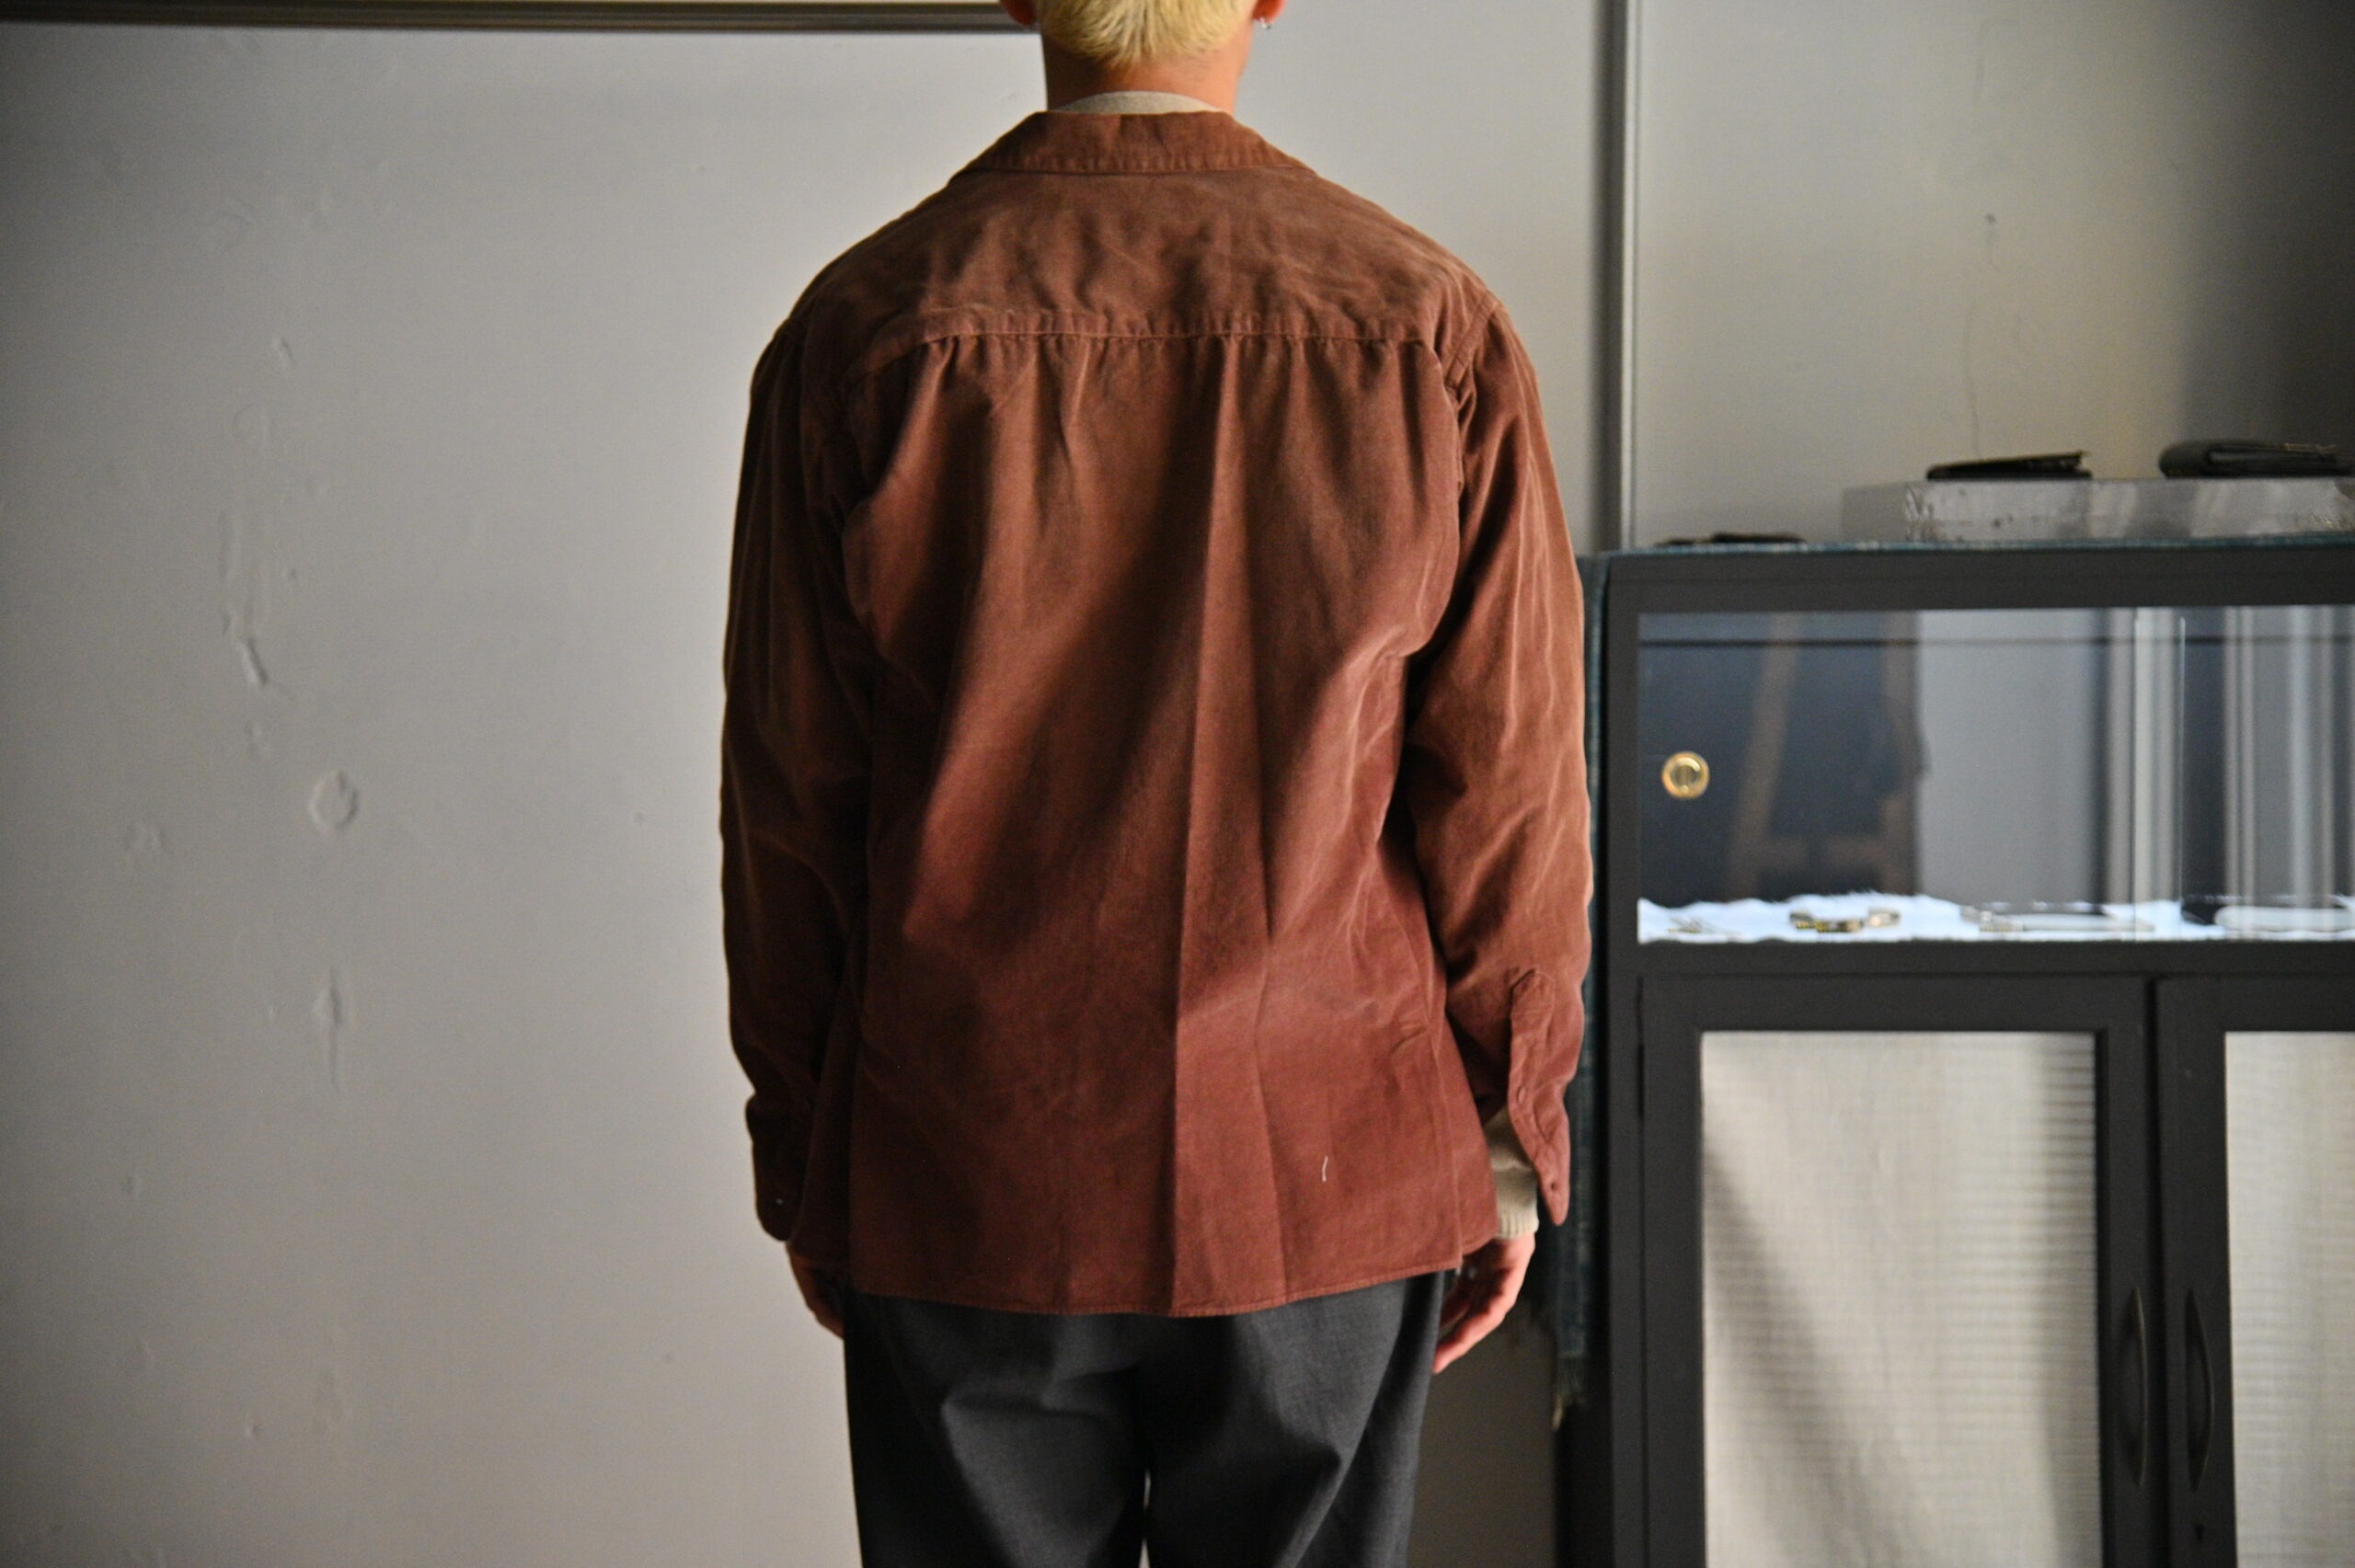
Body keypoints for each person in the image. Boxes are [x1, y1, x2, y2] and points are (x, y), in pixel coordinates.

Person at [718, 1, 1591, 1561]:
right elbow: (1508, 785)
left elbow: (791, 805)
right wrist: (1516, 1139)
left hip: (970, 1167)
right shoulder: (1428, 327)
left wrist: (807, 1148)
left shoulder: (861, 330)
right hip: (1323, 1165)